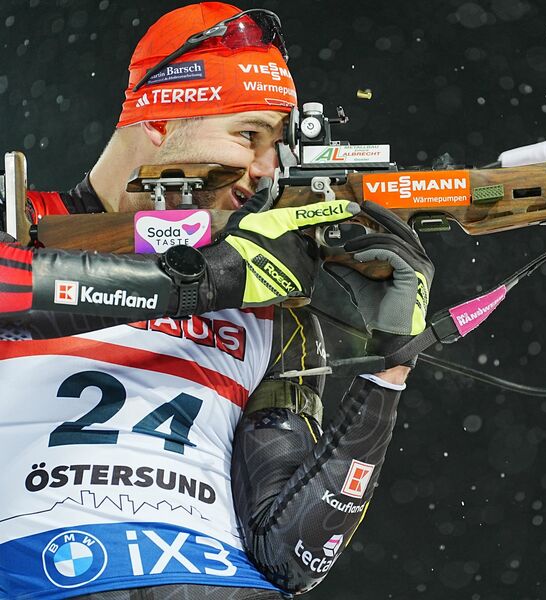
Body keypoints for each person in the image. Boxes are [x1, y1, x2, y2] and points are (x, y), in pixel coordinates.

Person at [0, 3, 433, 599]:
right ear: (160, 120)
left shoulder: (267, 298)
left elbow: (292, 559)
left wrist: (389, 370)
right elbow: (15, 289)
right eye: (249, 135)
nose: (266, 169)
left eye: (278, 145)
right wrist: (214, 278)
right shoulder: (20, 222)